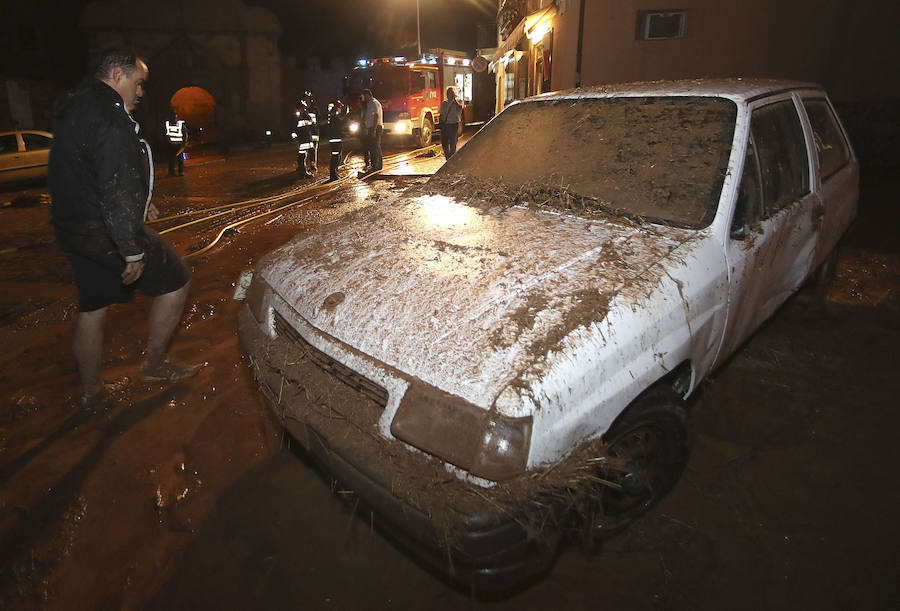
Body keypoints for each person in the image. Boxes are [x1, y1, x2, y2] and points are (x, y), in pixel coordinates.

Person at [49, 48, 199, 409]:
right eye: (138, 82)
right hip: (106, 231)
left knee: (93, 305)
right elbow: (116, 186)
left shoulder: (76, 107)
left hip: (75, 227)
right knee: (177, 280)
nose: (141, 92)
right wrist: (130, 249)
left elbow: (89, 172)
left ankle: (92, 392)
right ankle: (155, 363)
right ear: (118, 74)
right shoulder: (109, 116)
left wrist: (141, 202)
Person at [439, 86, 463, 160]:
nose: (449, 94)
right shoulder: (444, 103)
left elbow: (460, 108)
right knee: (445, 142)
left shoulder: (459, 101)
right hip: (446, 125)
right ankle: (447, 157)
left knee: (453, 141)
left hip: (454, 125)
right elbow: (441, 115)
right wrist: (441, 124)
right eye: (448, 93)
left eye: (451, 93)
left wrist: (454, 100)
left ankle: (452, 157)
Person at [361, 88, 383, 172]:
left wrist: (373, 129)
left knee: (374, 147)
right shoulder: (371, 103)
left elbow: (376, 116)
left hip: (375, 128)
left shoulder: (373, 103)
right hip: (373, 127)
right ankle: (376, 165)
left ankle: (376, 166)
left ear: (368, 95)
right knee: (375, 147)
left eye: (364, 96)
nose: (363, 98)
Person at [326, 100, 347, 181]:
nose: (340, 109)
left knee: (337, 156)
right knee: (335, 157)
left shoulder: (333, 116)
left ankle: (335, 173)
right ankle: (333, 175)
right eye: (339, 107)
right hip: (335, 139)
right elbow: (340, 125)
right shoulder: (334, 116)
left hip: (336, 138)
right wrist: (347, 117)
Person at [294, 98, 316, 178]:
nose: (304, 109)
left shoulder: (305, 116)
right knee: (302, 156)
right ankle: (302, 172)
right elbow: (294, 128)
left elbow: (312, 123)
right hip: (302, 140)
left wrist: (308, 115)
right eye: (303, 108)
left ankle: (302, 171)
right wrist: (296, 139)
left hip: (306, 139)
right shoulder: (297, 117)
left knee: (303, 155)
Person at [164, 110, 187, 176]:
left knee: (180, 160)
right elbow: (164, 134)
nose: (174, 117)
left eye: (175, 115)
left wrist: (184, 142)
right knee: (171, 160)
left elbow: (184, 133)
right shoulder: (167, 124)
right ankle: (172, 172)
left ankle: (180, 171)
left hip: (178, 145)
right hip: (171, 145)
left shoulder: (180, 124)